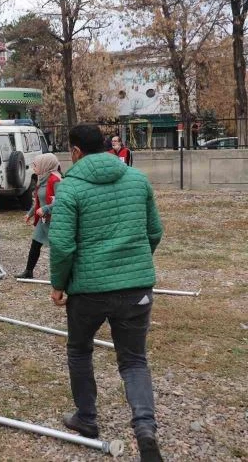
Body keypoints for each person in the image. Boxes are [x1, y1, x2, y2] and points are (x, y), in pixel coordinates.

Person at [49, 124, 164, 462]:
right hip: (135, 289)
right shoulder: (137, 179)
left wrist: (59, 283)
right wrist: (135, 264)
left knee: (80, 351)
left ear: (75, 152)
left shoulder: (70, 188)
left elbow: (61, 244)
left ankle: (86, 418)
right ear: (105, 146)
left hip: (88, 291)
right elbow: (154, 232)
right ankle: (145, 426)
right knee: (134, 360)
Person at [16, 153, 62, 279]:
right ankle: (28, 271)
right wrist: (30, 214)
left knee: (57, 249)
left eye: (36, 165)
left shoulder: (55, 180)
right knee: (35, 244)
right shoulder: (42, 179)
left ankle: (60, 275)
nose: (34, 167)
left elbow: (61, 201)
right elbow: (38, 200)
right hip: (43, 221)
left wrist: (46, 209)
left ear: (45, 165)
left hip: (54, 221)